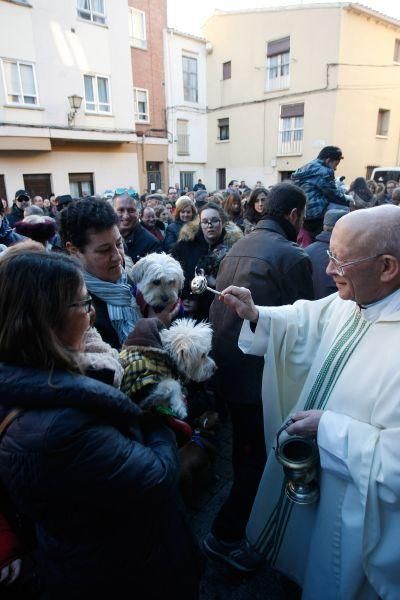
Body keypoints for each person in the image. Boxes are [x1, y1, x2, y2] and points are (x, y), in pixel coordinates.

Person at [209, 204, 400, 599]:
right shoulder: (352, 298)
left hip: (357, 501)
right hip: (321, 474)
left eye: (340, 261)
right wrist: (257, 312)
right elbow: (307, 318)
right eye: (329, 254)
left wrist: (328, 429)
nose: (328, 269)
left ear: (387, 267)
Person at [0, 247, 201, 599]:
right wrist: (154, 415)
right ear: (44, 320)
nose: (92, 315)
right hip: (120, 568)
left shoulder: (54, 373)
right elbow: (155, 477)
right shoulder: (60, 426)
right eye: (82, 303)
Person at [203, 183, 314, 557]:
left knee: (244, 449)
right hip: (256, 375)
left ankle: (239, 511)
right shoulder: (291, 256)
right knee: (260, 456)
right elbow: (304, 323)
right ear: (295, 216)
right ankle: (227, 532)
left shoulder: (241, 243)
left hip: (227, 366)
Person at [172, 202, 242, 320]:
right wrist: (188, 298)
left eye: (214, 220)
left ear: (223, 222)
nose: (209, 225)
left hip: (220, 312)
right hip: (186, 312)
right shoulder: (184, 245)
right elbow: (175, 275)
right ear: (200, 223)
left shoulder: (234, 248)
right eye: (205, 221)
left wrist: (216, 283)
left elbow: (239, 282)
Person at [292, 146, 349, 239]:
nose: (335, 169)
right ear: (328, 160)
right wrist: (349, 200)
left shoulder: (305, 167)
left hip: (303, 213)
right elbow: (333, 194)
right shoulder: (324, 171)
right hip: (316, 214)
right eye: (336, 165)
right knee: (342, 208)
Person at [305, 209, 347, 299]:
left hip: (308, 309)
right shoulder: (346, 255)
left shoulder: (306, 251)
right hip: (335, 309)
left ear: (324, 227)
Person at [113, 193, 160, 264]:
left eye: (131, 211)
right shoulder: (103, 237)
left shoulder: (151, 243)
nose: (126, 216)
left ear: (138, 213)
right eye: (121, 210)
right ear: (112, 211)